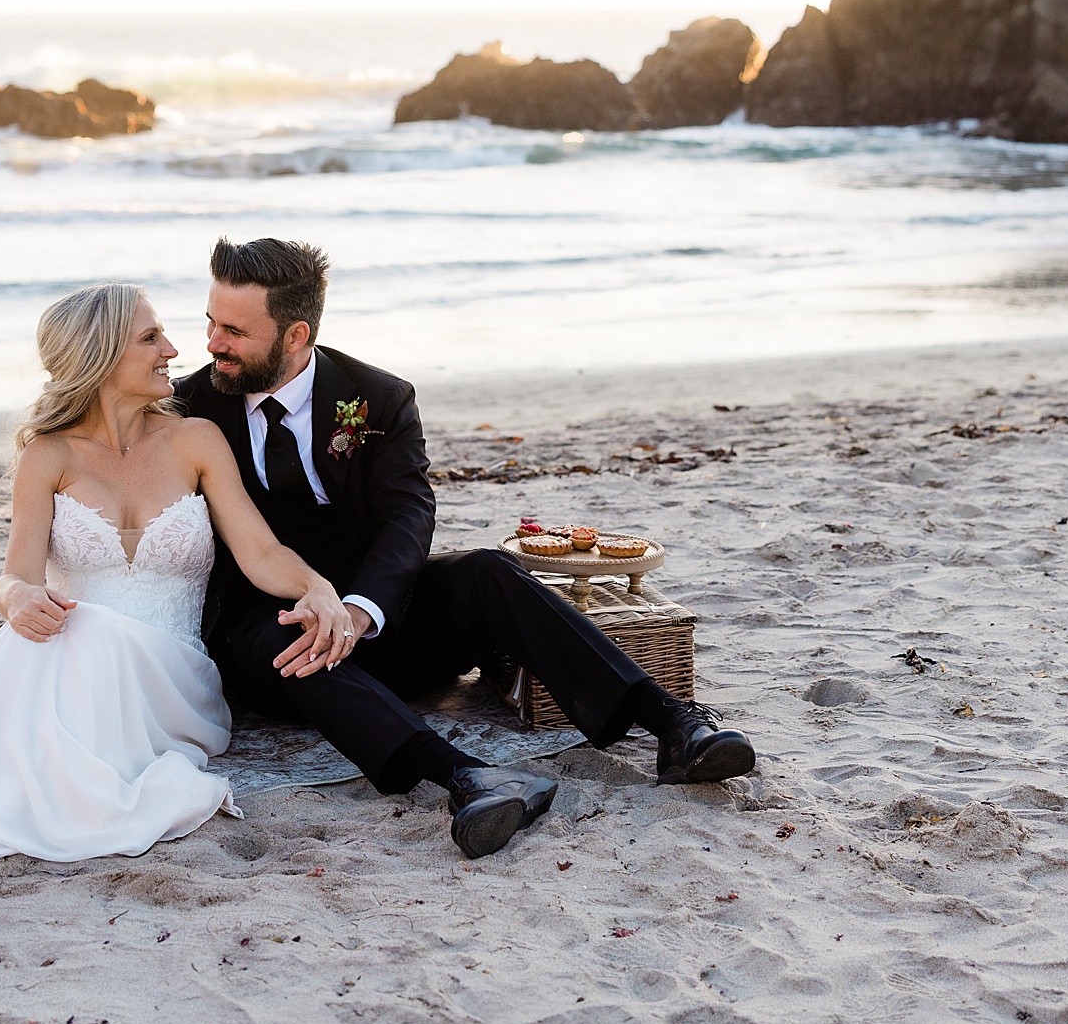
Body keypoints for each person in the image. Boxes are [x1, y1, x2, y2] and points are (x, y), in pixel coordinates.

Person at [175, 236, 756, 860]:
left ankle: (673, 724)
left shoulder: (376, 396)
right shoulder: (186, 406)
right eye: (210, 321)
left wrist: (364, 609)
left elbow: (408, 509)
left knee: (487, 570)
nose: (212, 343)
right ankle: (467, 777)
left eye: (233, 330)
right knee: (284, 638)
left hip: (380, 624)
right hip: (270, 640)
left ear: (295, 335)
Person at [0, 283, 354, 877]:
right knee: (56, 628)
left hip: (171, 679)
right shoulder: (48, 454)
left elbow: (261, 552)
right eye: (150, 338)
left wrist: (317, 587)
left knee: (84, 629)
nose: (172, 350)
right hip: (70, 661)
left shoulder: (196, 440)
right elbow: (15, 576)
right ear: (101, 357)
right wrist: (18, 600)